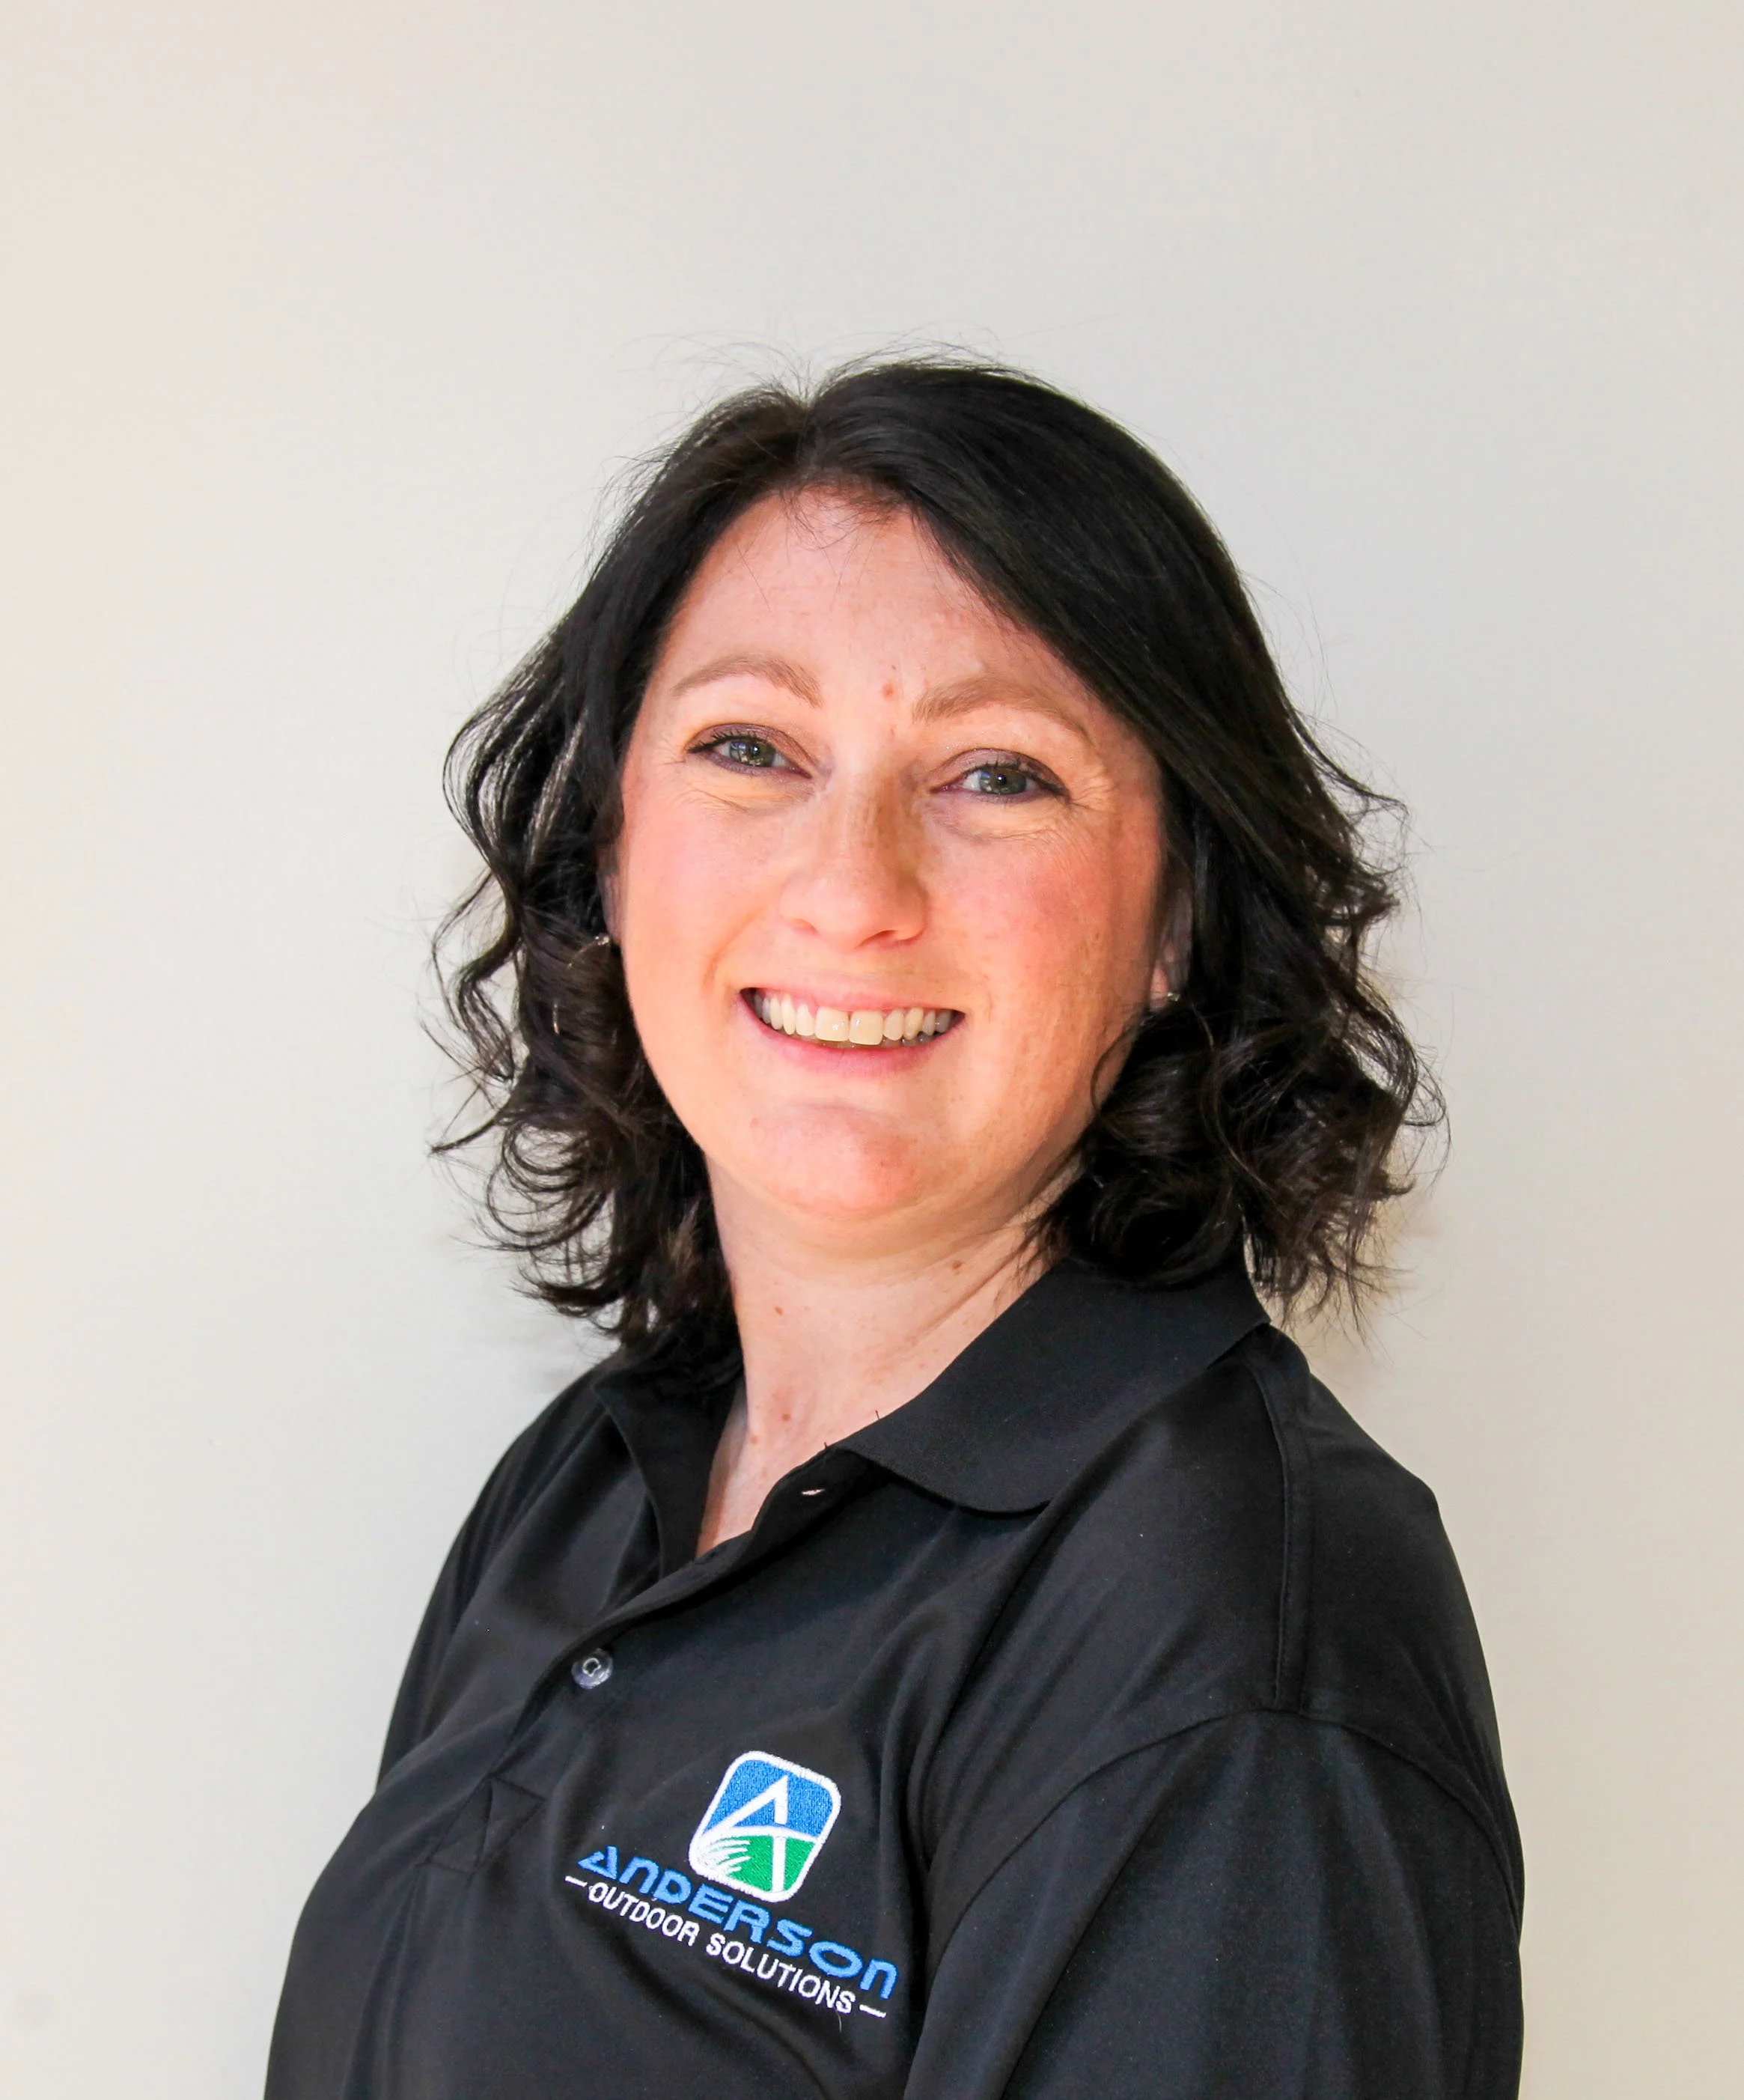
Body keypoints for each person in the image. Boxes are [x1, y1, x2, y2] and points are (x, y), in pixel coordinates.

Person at [266, 359, 1522, 2098]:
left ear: (1175, 916)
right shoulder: (590, 1481)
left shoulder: (1235, 1644)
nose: (854, 889)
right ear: (617, 852)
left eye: (996, 774)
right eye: (748, 748)